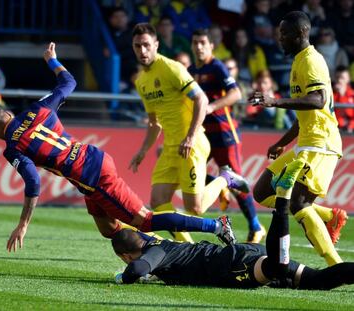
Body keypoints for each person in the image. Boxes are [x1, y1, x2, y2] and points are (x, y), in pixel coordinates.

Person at [0, 42, 240, 252]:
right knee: (109, 229)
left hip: (93, 176)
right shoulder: (38, 109)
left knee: (147, 221)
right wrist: (52, 61)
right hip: (91, 165)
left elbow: (33, 183)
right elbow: (68, 83)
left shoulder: (13, 147)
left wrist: (23, 224)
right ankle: (148, 257)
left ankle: (216, 225)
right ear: (7, 114)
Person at [129, 23, 249, 243]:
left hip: (191, 143)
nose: (142, 51)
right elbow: (155, 123)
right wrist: (142, 151)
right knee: (158, 201)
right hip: (171, 147)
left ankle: (226, 178)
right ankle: (188, 248)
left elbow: (201, 99)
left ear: (156, 44)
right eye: (138, 46)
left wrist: (191, 137)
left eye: (146, 45)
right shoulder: (142, 82)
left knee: (195, 208)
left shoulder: (172, 68)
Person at [249, 11, 347, 267]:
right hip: (306, 140)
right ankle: (330, 217)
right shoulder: (298, 61)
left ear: (301, 34)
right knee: (261, 191)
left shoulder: (311, 61)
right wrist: (283, 141)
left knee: (299, 204)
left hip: (321, 143)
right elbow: (304, 112)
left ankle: (337, 267)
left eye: (285, 34)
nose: (280, 38)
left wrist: (274, 101)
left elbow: (319, 100)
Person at [112, 206, 354, 290]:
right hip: (243, 252)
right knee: (317, 281)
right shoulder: (156, 244)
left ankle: (282, 204)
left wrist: (123, 277)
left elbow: (136, 270)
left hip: (236, 265)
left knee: (277, 267)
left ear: (125, 255)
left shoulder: (154, 253)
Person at [188, 29, 265, 243]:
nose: (199, 46)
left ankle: (256, 226)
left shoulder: (217, 67)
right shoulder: (190, 70)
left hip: (224, 134)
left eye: (203, 42)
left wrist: (211, 107)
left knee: (237, 180)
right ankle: (222, 185)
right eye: (195, 42)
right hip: (203, 135)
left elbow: (236, 93)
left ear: (211, 45)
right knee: (192, 171)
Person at [333, 65, 354, 133]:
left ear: (348, 79)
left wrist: (350, 126)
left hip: (350, 131)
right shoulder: (330, 95)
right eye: (337, 77)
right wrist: (340, 95)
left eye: (342, 78)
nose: (339, 80)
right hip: (335, 130)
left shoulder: (352, 95)